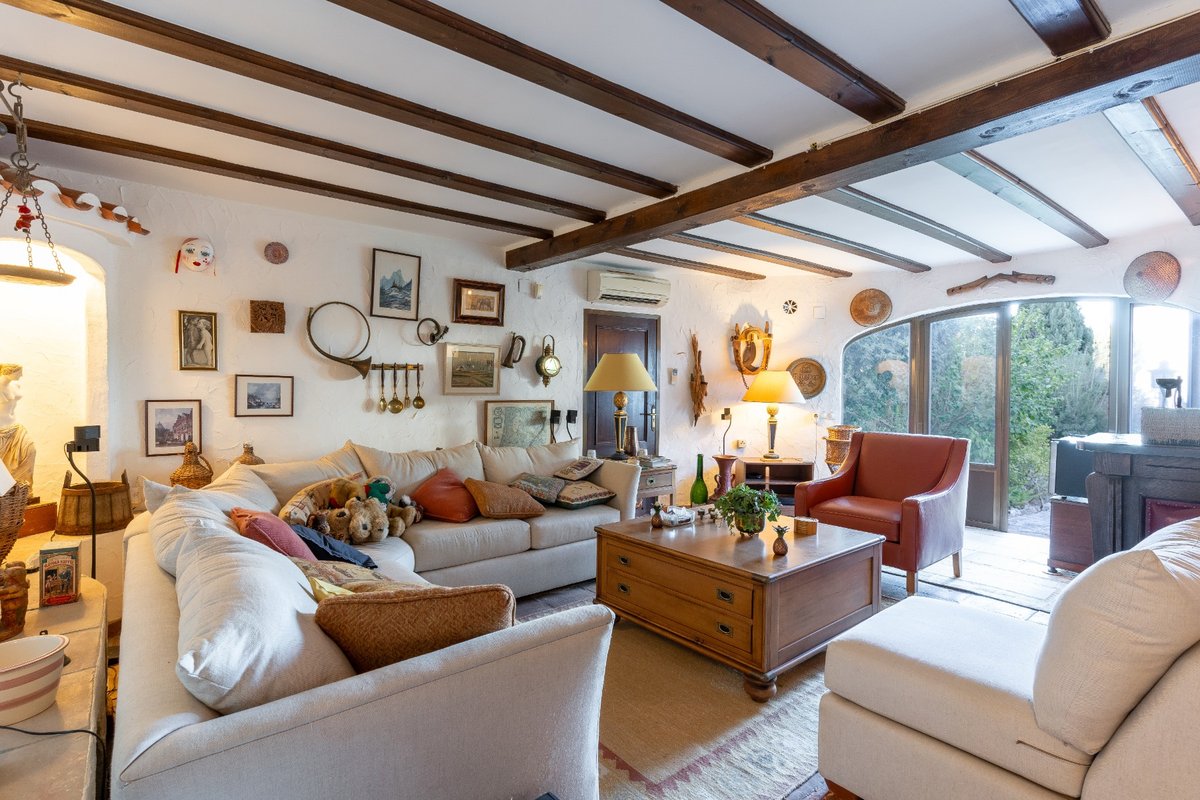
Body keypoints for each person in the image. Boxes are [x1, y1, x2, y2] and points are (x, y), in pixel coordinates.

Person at [0, 364, 35, 488]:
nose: (21, 375)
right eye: (18, 373)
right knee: (3, 466)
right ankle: (8, 492)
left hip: (16, 429)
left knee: (31, 450)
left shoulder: (16, 385)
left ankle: (24, 488)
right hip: (1, 431)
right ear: (9, 372)